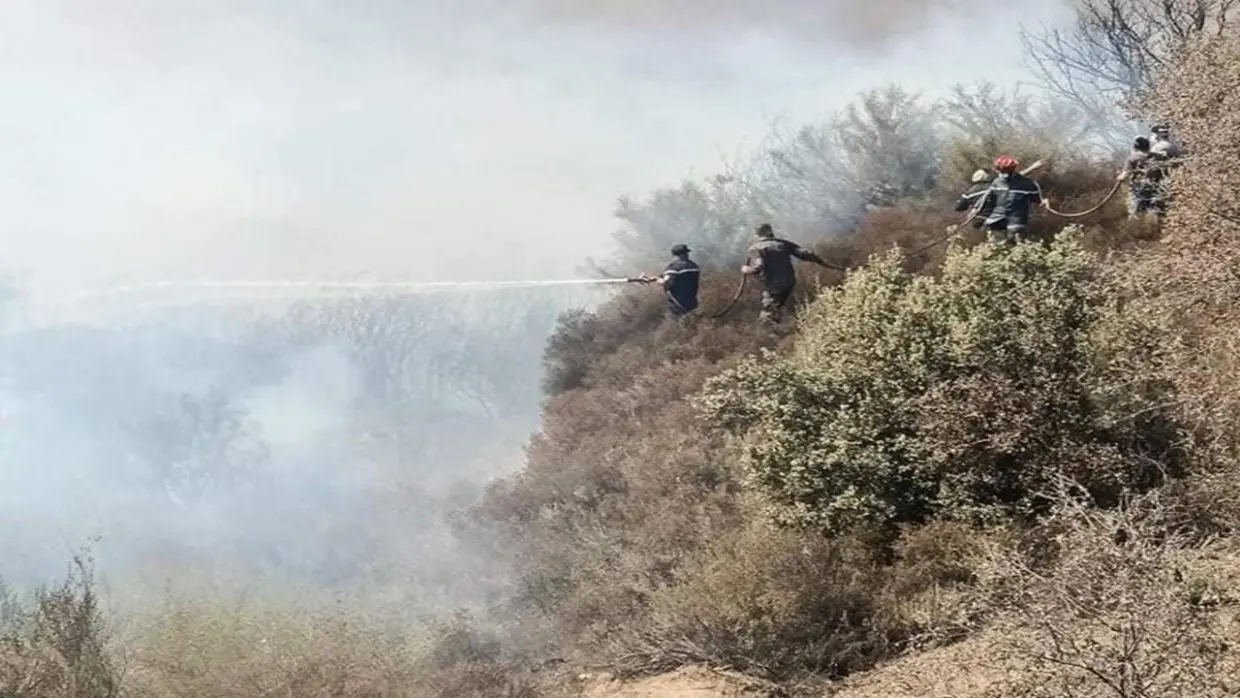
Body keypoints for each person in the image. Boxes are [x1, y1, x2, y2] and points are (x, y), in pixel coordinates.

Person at [740, 223, 831, 324]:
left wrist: (745, 269)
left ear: (757, 235)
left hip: (773, 285)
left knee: (768, 312)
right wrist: (825, 263)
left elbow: (757, 268)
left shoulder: (755, 248)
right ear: (770, 231)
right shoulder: (783, 243)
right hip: (789, 282)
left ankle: (771, 330)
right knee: (777, 306)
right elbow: (806, 254)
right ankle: (781, 322)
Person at [979, 154, 1049, 244]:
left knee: (996, 249)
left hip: (996, 221)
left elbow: (988, 200)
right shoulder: (1028, 184)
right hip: (1016, 223)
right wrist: (1045, 201)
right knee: (1019, 250)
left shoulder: (996, 182)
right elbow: (1038, 201)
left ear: (997, 169)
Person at [637, 243, 700, 316]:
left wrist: (657, 279)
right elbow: (680, 278)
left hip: (678, 304)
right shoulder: (694, 266)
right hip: (693, 303)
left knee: (678, 324)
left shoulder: (674, 267)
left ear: (675, 255)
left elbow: (666, 283)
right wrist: (652, 278)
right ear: (686, 253)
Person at [1119, 136, 1165, 219]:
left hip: (1138, 187)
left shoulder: (1132, 158)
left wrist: (1121, 177)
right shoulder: (1156, 157)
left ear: (1136, 146)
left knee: (1135, 209)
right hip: (1155, 186)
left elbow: (1125, 173)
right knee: (1152, 207)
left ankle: (1136, 226)